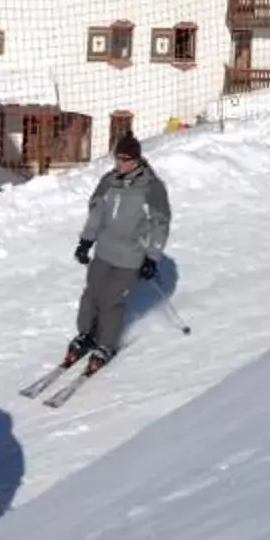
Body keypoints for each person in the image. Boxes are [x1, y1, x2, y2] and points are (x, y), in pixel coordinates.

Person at [68, 132, 172, 369]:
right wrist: (86, 242)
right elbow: (96, 212)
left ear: (136, 160)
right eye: (117, 158)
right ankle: (86, 334)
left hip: (130, 256)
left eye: (125, 159)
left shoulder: (152, 187)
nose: (120, 164)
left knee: (110, 299)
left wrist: (152, 257)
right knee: (91, 294)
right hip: (104, 250)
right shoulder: (108, 181)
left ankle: (106, 344)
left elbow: (160, 223)